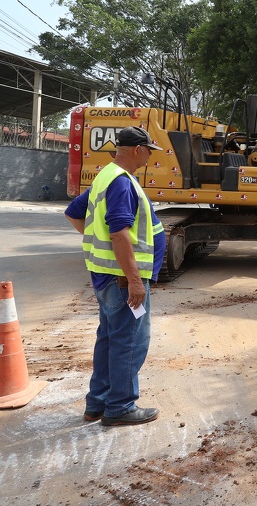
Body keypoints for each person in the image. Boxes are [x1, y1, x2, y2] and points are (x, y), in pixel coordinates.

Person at [65, 126, 166, 426]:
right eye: (149, 150)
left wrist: (105, 247)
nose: (150, 156)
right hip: (123, 281)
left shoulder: (105, 176)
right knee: (130, 341)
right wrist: (135, 280)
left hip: (107, 277)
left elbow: (73, 213)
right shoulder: (122, 183)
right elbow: (119, 232)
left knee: (109, 339)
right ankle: (120, 406)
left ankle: (97, 404)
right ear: (138, 150)